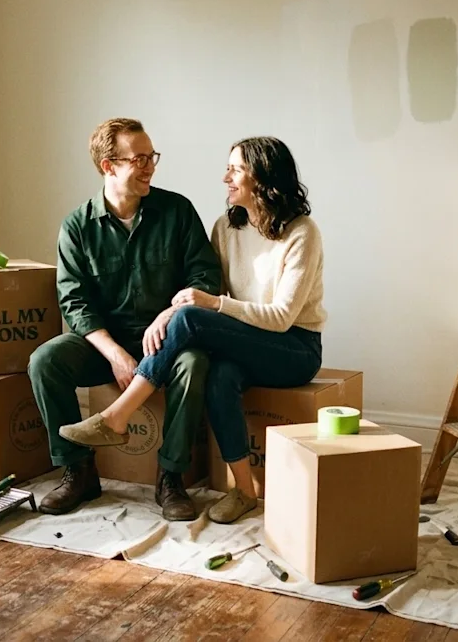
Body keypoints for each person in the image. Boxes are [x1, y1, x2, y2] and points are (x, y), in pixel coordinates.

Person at [60, 136, 325, 524]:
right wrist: (170, 314)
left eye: (235, 170)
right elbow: (205, 290)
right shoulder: (227, 227)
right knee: (219, 376)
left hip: (295, 348)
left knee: (189, 318)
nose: (225, 178)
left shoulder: (302, 232)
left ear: (262, 177)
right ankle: (245, 491)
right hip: (246, 340)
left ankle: (117, 417)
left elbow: (281, 317)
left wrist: (210, 306)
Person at [28, 117, 222, 521]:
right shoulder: (77, 226)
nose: (150, 167)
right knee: (45, 360)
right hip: (107, 344)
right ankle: (78, 471)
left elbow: (205, 277)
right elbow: (74, 301)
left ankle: (171, 478)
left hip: (168, 342)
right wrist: (116, 355)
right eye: (139, 159)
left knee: (195, 363)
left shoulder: (178, 211)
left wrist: (170, 314)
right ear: (109, 166)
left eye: (152, 157)